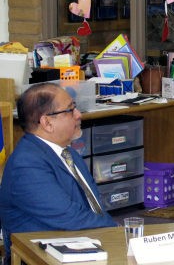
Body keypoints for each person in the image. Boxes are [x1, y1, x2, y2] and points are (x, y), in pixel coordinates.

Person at [0, 83, 116, 259]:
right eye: (70, 110)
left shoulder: (67, 153)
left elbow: (93, 208)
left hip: (84, 245)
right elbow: (71, 218)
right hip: (43, 257)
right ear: (47, 122)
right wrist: (119, 231)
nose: (78, 115)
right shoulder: (26, 165)